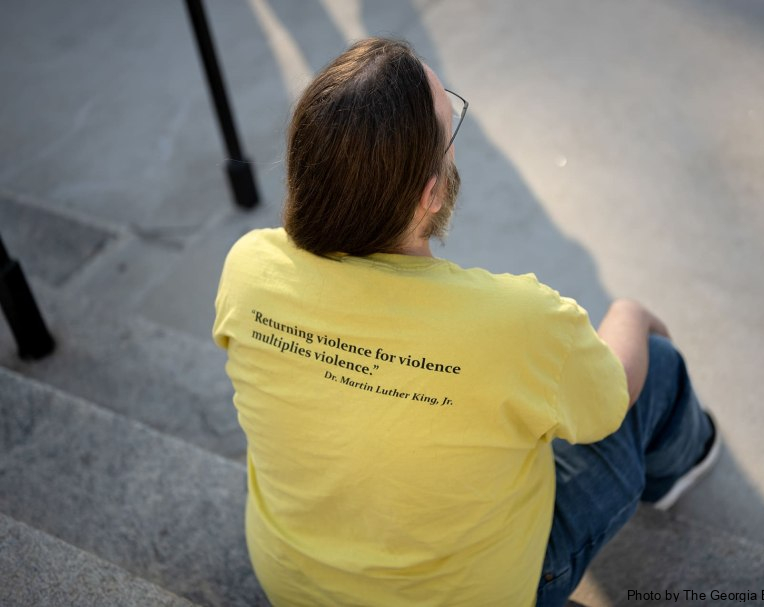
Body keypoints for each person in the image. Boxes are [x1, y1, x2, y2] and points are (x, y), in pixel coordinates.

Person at [213, 37, 720, 607]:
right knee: (658, 368)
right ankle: (679, 466)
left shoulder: (248, 267)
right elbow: (610, 403)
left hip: (294, 585)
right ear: (431, 194)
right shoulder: (518, 323)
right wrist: (630, 311)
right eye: (449, 129)